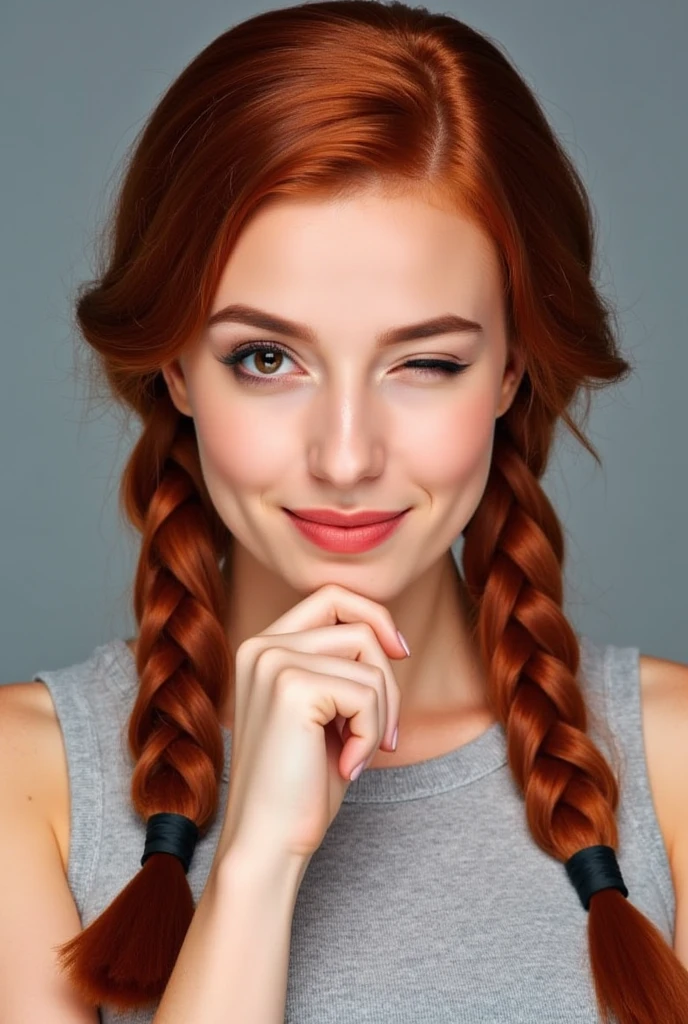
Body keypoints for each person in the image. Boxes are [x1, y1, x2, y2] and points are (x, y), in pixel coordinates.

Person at [1, 1, 687, 1021]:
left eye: (426, 362)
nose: (347, 455)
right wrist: (255, 866)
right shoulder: (28, 783)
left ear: (510, 372)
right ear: (178, 370)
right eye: (265, 358)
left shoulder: (670, 759)